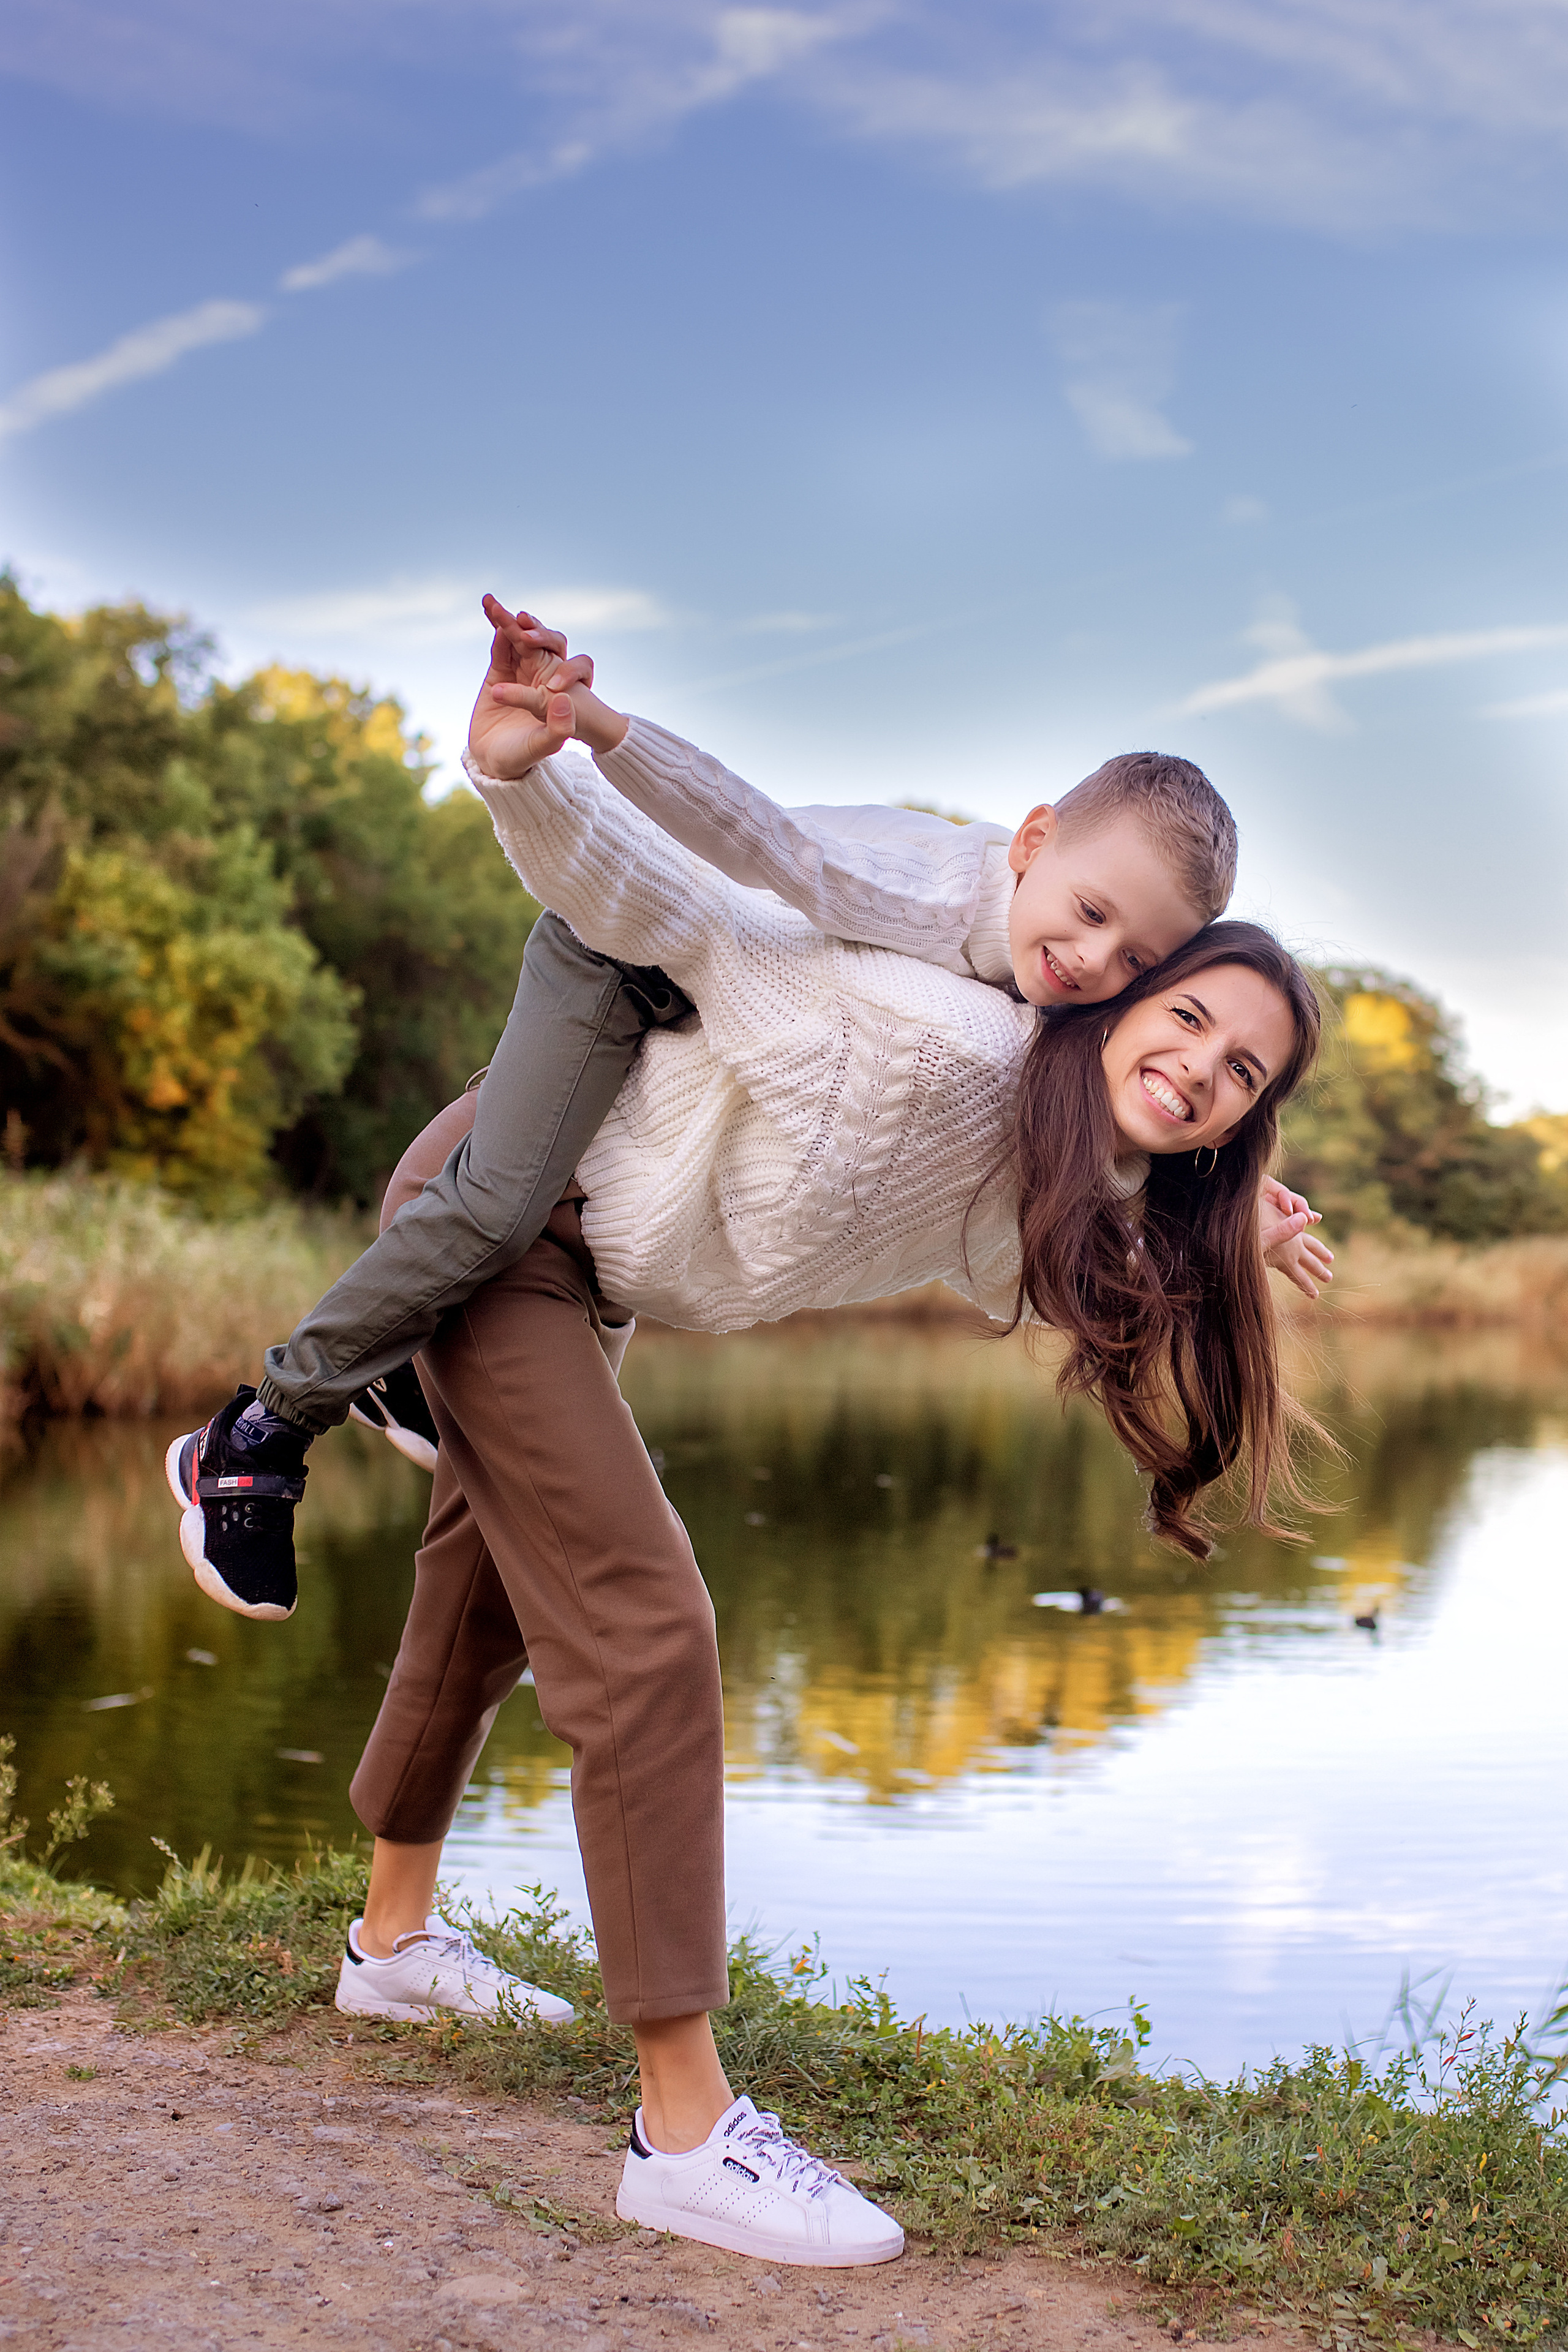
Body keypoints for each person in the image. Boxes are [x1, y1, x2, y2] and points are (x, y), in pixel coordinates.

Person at [167, 600, 1324, 1620]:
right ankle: (257, 1433)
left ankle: (402, 1369)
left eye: (1140, 960)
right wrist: (592, 740)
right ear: (1031, 845)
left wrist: (1217, 1219)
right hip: (627, 940)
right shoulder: (922, 884)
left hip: (702, 1008)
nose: (1089, 960)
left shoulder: (1054, 1006)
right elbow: (752, 839)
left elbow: (1042, 1207)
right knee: (495, 1208)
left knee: (505, 1400)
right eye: (1084, 911)